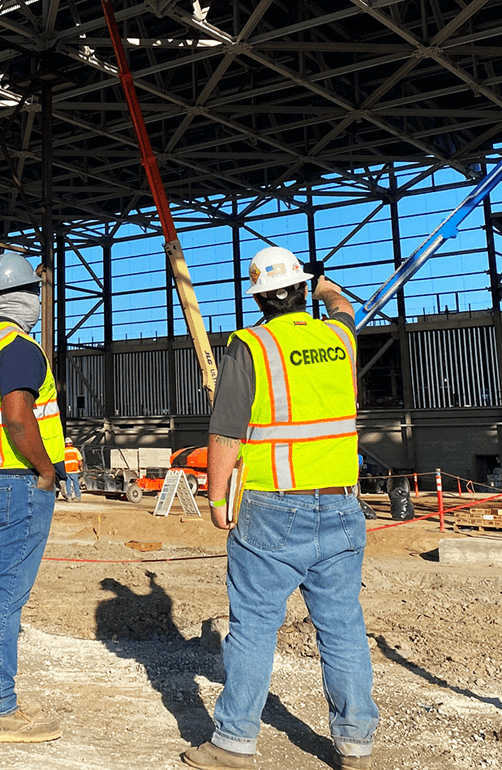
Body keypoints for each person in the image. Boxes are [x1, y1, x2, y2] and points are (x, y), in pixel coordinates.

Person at [183, 246, 378, 770]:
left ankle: (234, 743)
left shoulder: (251, 345)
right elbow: (343, 309)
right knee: (342, 628)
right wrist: (327, 288)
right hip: (341, 507)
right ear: (301, 289)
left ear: (260, 299)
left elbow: (226, 431)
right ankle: (356, 744)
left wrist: (217, 497)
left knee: (253, 626)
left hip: (272, 507)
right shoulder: (340, 337)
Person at [0, 251, 66, 743]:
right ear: (23, 297)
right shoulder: (19, 347)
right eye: (36, 294)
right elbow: (18, 418)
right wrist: (46, 470)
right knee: (6, 595)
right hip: (16, 482)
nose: (39, 303)